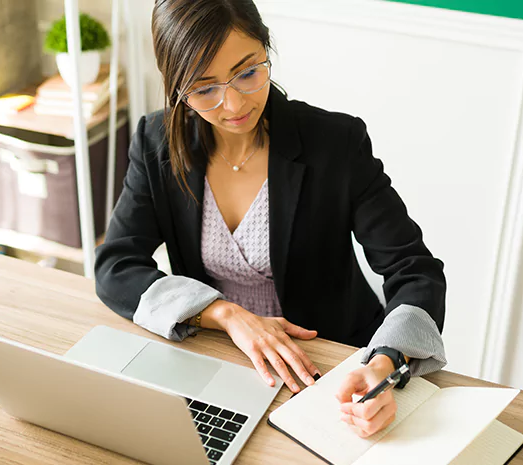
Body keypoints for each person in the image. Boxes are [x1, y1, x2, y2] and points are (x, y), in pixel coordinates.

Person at [95, 0, 447, 438]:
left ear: (266, 49)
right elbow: (115, 266)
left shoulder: (335, 143)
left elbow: (415, 270)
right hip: (219, 356)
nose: (233, 104)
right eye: (204, 89)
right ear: (176, 87)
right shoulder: (155, 141)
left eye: (247, 72)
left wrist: (385, 363)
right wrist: (223, 313)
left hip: (328, 365)